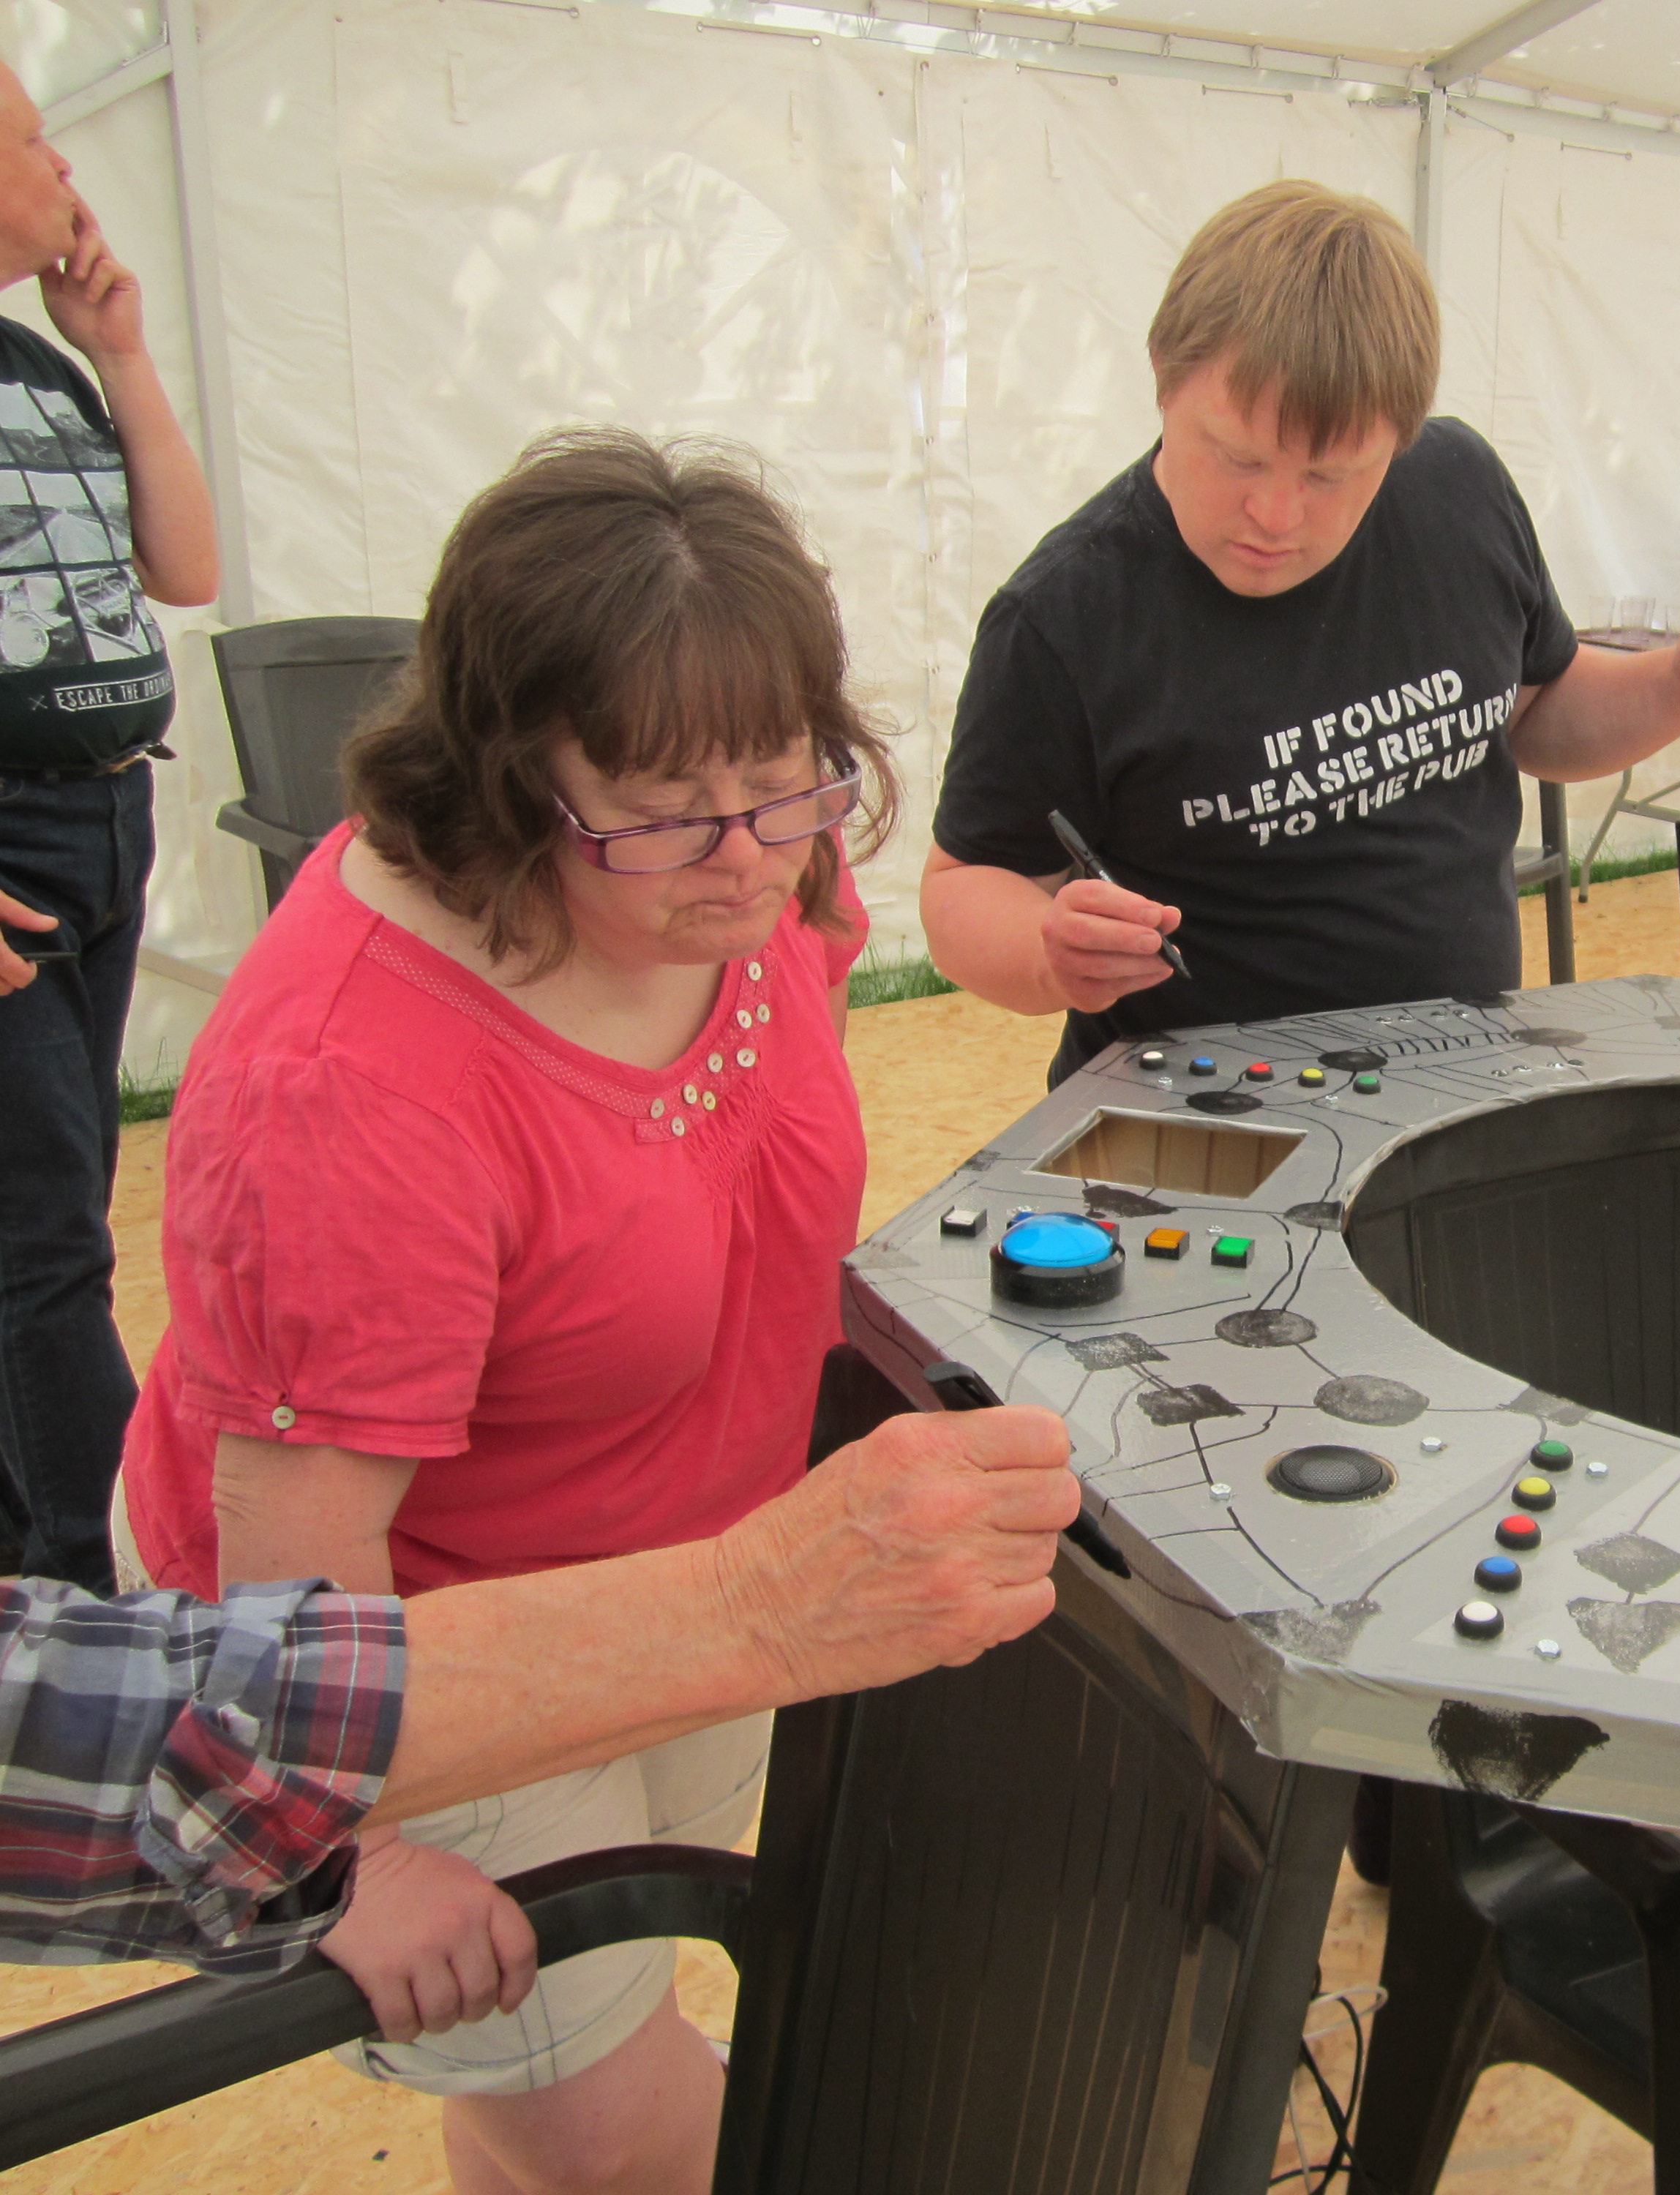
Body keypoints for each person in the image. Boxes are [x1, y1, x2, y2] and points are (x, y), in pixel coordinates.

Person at [115, 428, 893, 2195]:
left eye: (786, 777)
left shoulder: (757, 858)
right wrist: (349, 1848)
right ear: (505, 772)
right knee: (631, 2133)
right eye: (665, 806)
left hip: (675, 1579)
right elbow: (295, 1553)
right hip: (406, 1644)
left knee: (558, 2085)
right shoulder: (352, 1083)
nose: (747, 861)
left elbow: (770, 1114)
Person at [918, 180, 1680, 1080]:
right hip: (1207, 1111)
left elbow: (1534, 711)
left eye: (1331, 476)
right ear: (1162, 374)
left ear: (1400, 437)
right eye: (1238, 458)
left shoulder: (1460, 494)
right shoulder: (1065, 615)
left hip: (1458, 1082)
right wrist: (1047, 952)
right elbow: (964, 885)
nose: (1275, 515)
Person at [0, 1401, 1076, 1992]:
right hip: (498, 1647)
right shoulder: (342, 1091)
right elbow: (64, 1730)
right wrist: (756, 1606)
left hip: (635, 1619)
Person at [0, 59, 220, 1591]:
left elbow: (184, 568)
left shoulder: (42, 367)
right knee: (41, 1247)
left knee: (59, 1210)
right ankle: (86, 1593)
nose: (64, 165)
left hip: (101, 817)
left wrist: (122, 358)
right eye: (31, 139)